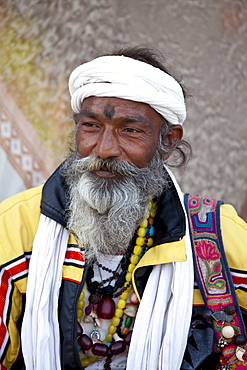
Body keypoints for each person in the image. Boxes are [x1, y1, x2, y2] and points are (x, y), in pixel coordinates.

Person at [0, 46, 246, 370]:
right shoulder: (18, 227)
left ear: (168, 141)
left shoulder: (215, 238)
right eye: (91, 126)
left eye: (130, 130)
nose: (104, 149)